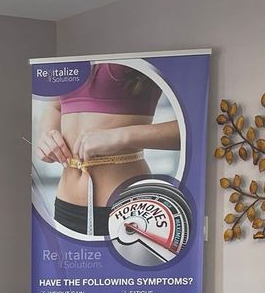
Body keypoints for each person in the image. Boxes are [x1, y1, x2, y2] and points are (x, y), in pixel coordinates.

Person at [34, 62, 181, 236]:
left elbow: (192, 129)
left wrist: (120, 136)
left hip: (127, 206)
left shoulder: (144, 52)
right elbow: (55, 106)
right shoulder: (72, 55)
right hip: (66, 206)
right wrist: (47, 135)